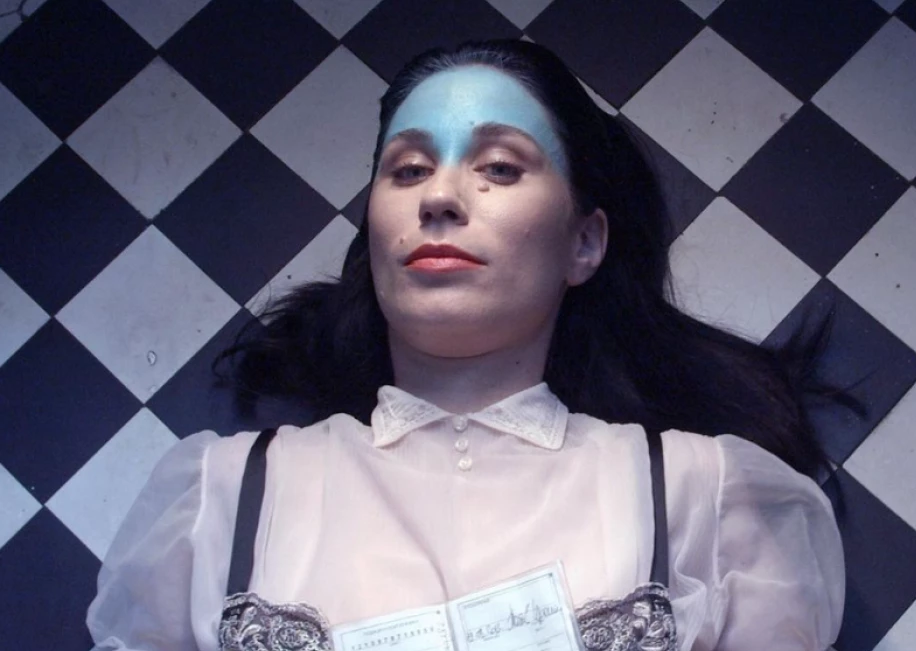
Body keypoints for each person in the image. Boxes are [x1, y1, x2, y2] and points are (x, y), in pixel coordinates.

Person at [87, 39, 851, 651]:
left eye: (500, 167)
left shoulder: (703, 498)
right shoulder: (219, 499)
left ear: (585, 242)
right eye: (408, 169)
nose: (439, 196)